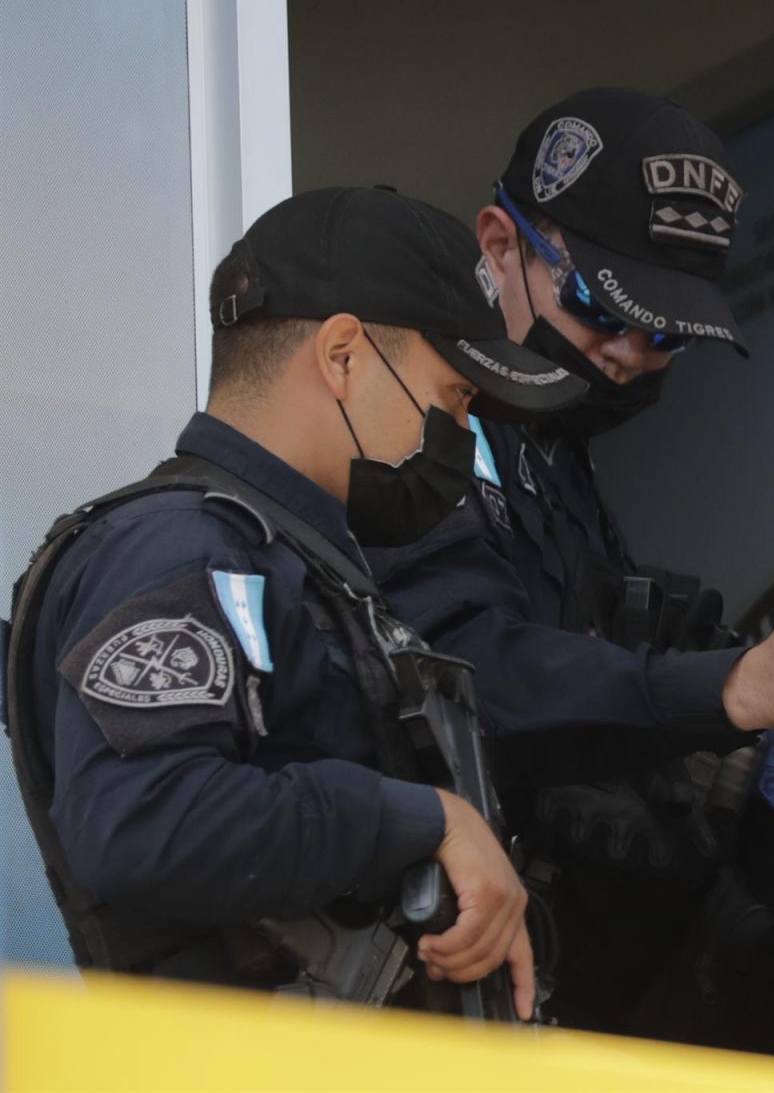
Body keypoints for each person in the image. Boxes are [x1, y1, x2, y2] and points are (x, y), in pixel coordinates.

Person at [369, 87, 774, 1044]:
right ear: (499, 245)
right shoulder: (412, 425)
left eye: (669, 332)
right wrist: (733, 687)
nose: (633, 354)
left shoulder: (555, 448)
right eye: (603, 308)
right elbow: (467, 685)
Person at [3, 186, 586, 1013]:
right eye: (453, 396)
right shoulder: (184, 548)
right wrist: (431, 820)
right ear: (343, 355)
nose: (461, 431)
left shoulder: (294, 559)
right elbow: (143, 817)